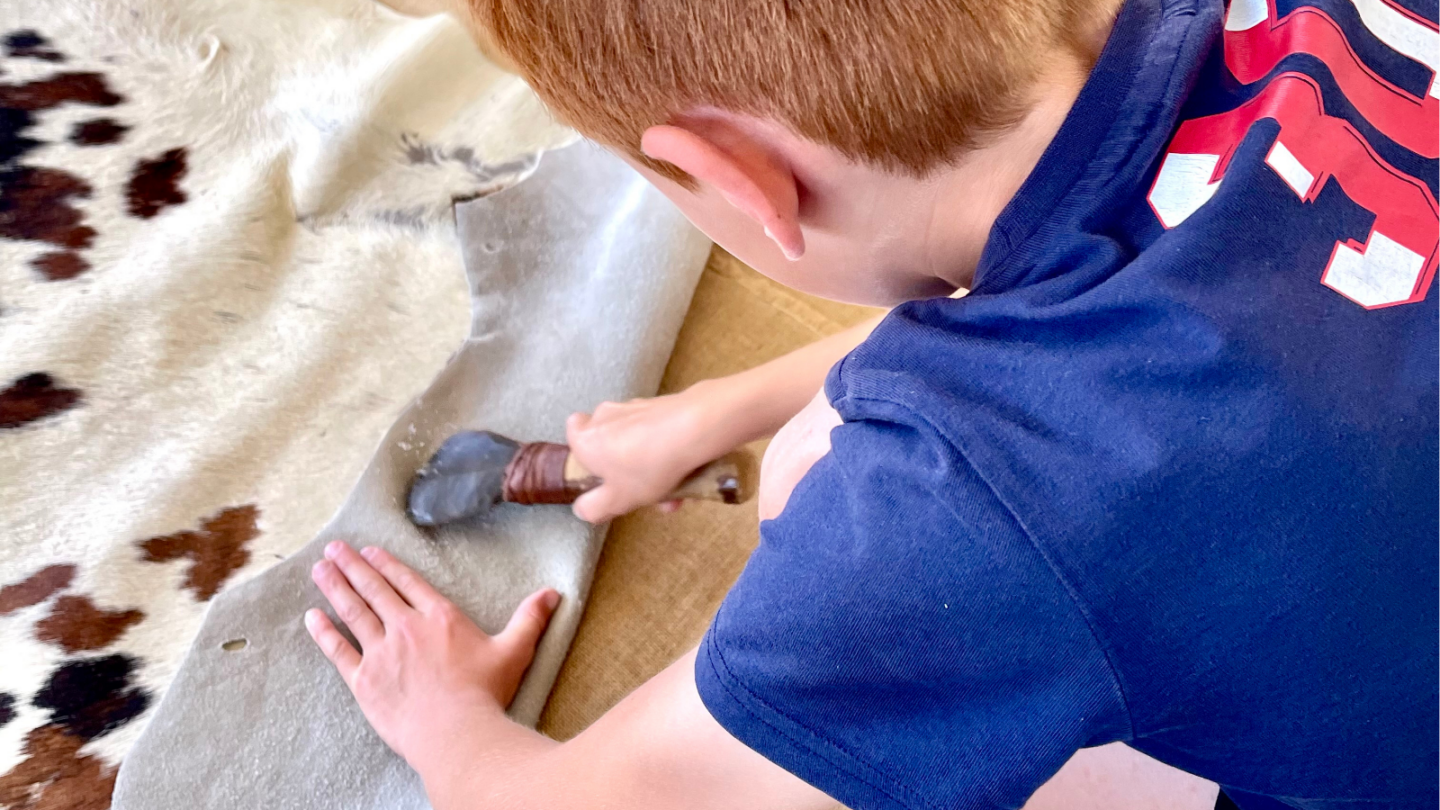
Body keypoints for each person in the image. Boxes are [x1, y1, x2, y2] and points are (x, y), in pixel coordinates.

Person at [301, 0, 1440, 807]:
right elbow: (1164, 289)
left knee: (818, 479)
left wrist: (444, 723)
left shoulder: (957, 514)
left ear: (742, 181)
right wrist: (715, 407)